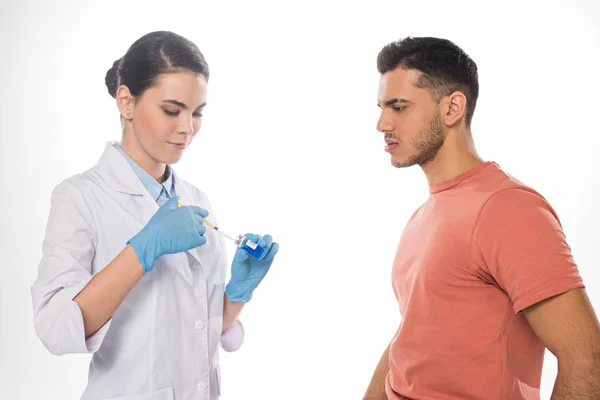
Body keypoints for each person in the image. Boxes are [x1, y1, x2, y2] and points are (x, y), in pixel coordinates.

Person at [30, 30, 279, 400]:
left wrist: (239, 293)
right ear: (126, 102)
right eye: (171, 110)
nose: (187, 128)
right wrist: (142, 249)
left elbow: (196, 331)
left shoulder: (196, 199)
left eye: (197, 113)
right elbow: (54, 327)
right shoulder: (80, 197)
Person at [363, 37, 600, 400]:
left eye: (398, 107)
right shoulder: (425, 213)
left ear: (452, 107)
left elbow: (587, 361)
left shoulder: (508, 209)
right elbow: (410, 334)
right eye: (381, 107)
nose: (382, 123)